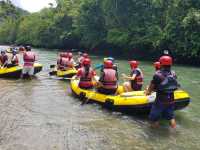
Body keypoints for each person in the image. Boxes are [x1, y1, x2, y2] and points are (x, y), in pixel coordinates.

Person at [145, 56, 179, 128]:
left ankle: (155, 135)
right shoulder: (173, 74)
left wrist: (148, 92)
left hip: (160, 101)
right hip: (171, 100)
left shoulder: (157, 75)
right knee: (171, 117)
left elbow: (151, 87)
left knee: (154, 119)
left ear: (161, 64)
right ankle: (174, 133)